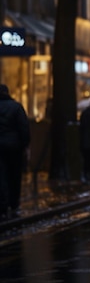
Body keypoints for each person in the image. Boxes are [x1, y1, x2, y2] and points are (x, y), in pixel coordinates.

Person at [0, 84, 30, 219]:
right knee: (14, 175)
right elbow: (24, 128)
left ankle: (2, 205)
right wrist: (25, 145)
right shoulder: (16, 107)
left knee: (2, 175)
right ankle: (14, 204)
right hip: (14, 147)